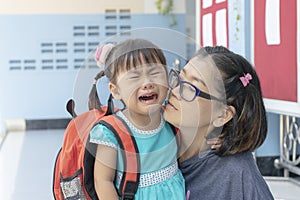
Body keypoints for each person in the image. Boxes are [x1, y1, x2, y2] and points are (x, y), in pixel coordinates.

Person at [164, 46, 274, 200]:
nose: (175, 91)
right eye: (180, 78)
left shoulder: (237, 175)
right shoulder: (158, 140)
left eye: (191, 88)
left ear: (223, 115)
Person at [89, 39, 185, 200]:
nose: (147, 83)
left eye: (155, 73)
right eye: (134, 77)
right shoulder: (111, 132)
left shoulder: (171, 114)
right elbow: (103, 181)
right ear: (116, 90)